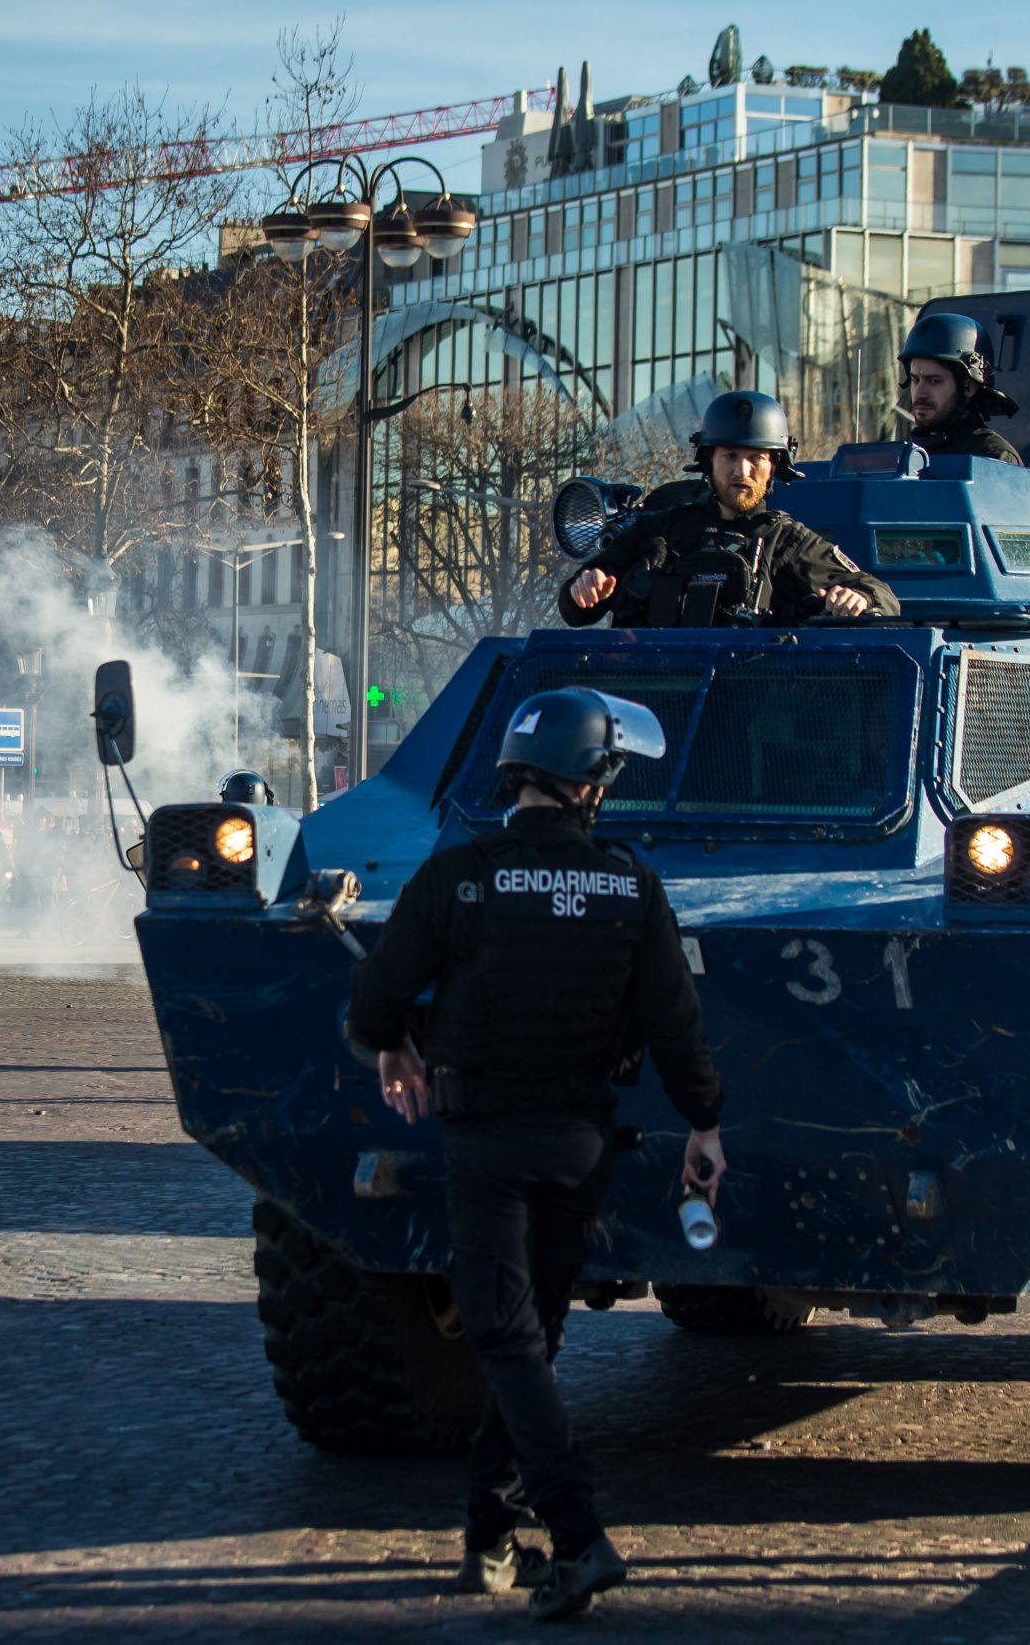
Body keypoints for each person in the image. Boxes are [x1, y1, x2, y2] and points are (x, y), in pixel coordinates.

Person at [347, 688, 724, 1620]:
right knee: (532, 1339)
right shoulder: (631, 885)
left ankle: (580, 1533)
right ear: (592, 781)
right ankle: (488, 1535)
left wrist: (393, 1043)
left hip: (486, 1140)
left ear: (518, 774)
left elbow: (373, 998)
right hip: (579, 1141)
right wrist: (706, 1124)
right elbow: (675, 1022)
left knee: (505, 1339)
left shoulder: (458, 877)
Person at [559, 390, 898, 630]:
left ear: (774, 466)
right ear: (708, 460)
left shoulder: (787, 542)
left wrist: (859, 600)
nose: (742, 472)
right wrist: (585, 587)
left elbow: (883, 598)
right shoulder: (658, 531)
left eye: (755, 459)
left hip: (739, 713)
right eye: (730, 457)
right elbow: (575, 611)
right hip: (647, 705)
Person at [896, 313, 1024, 464]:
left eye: (935, 381)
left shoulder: (993, 458)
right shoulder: (901, 455)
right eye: (915, 379)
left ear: (969, 387)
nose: (920, 393)